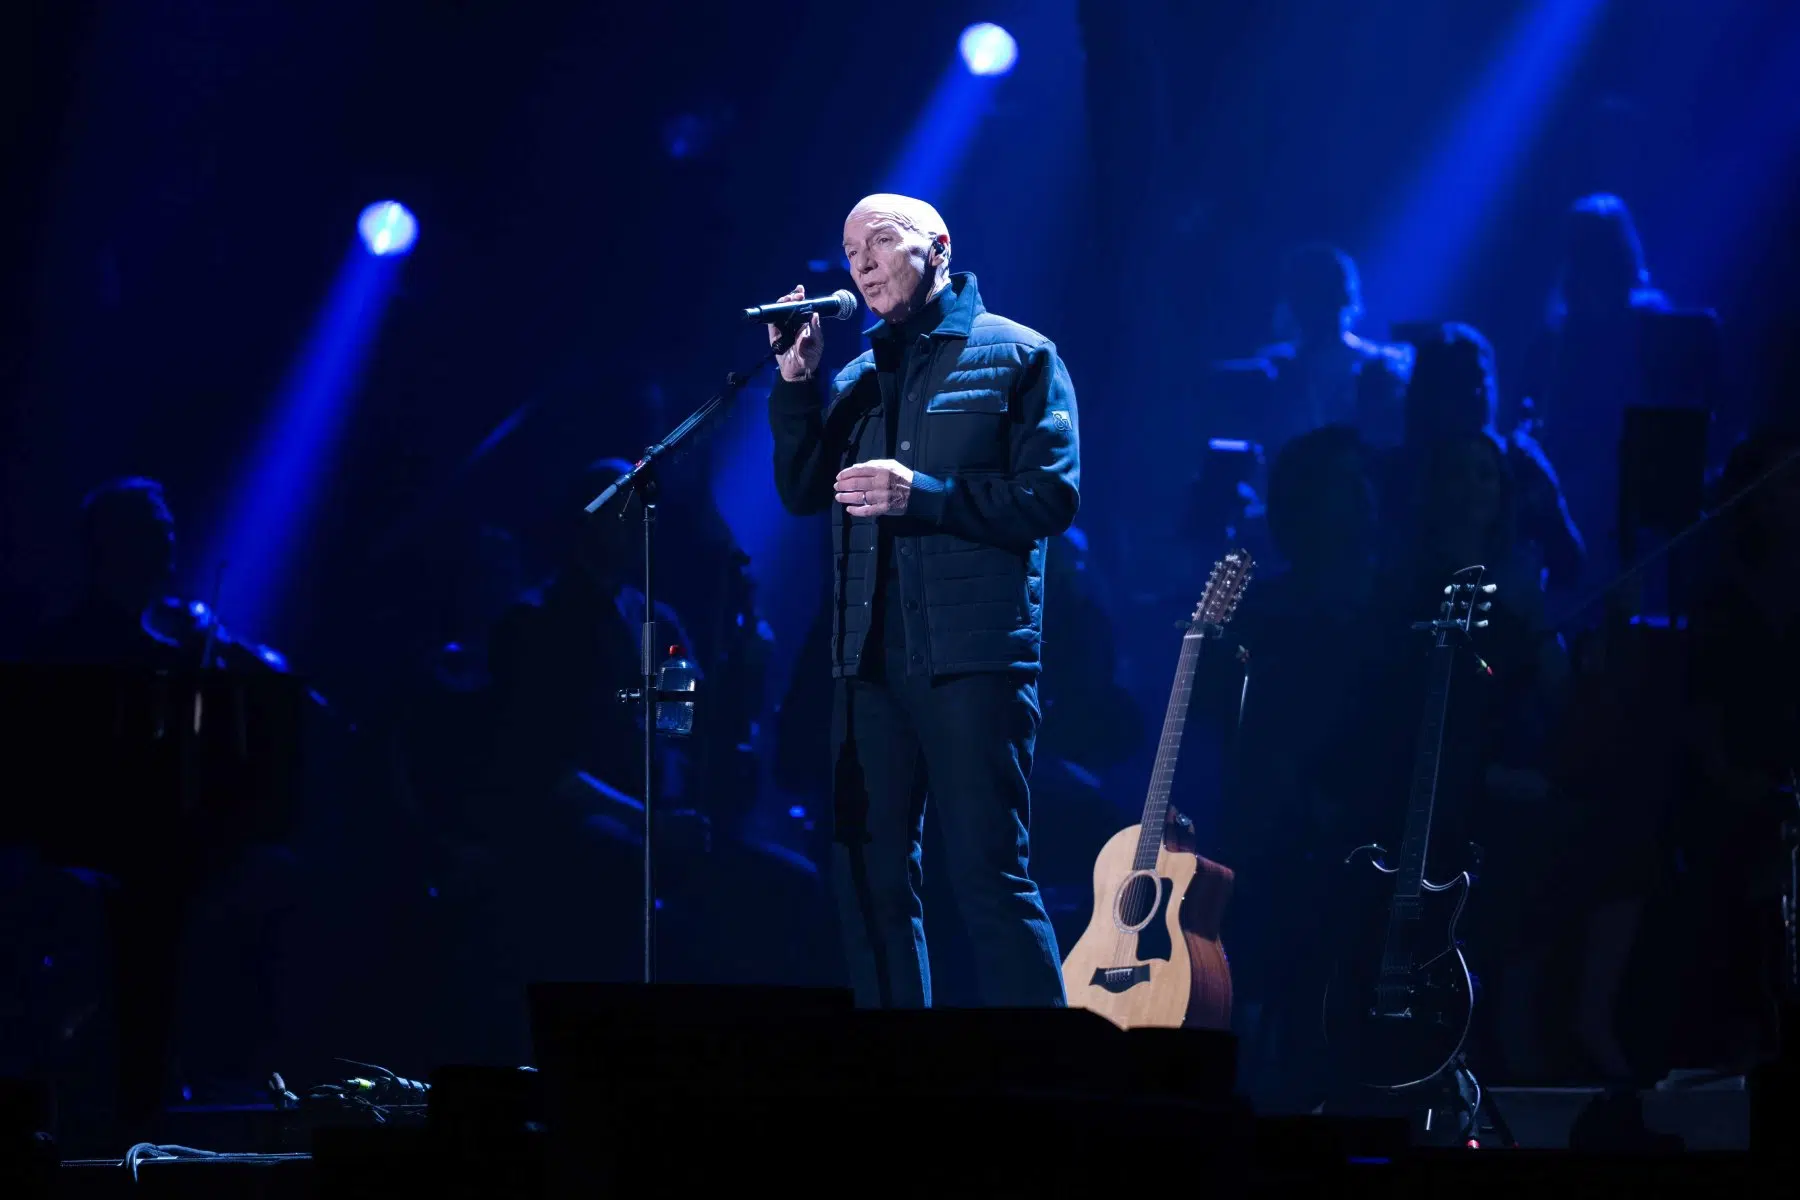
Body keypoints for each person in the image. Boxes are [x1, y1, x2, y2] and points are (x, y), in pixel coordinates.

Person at [765, 193, 1079, 1008]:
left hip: (972, 658)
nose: (860, 264)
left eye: (879, 242)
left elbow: (1050, 498)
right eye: (848, 252)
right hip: (867, 660)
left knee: (985, 873)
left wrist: (927, 496)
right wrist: (796, 387)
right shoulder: (859, 378)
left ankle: (1050, 1085)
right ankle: (898, 1085)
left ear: (937, 246)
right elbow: (805, 491)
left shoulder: (1020, 356)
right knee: (868, 876)